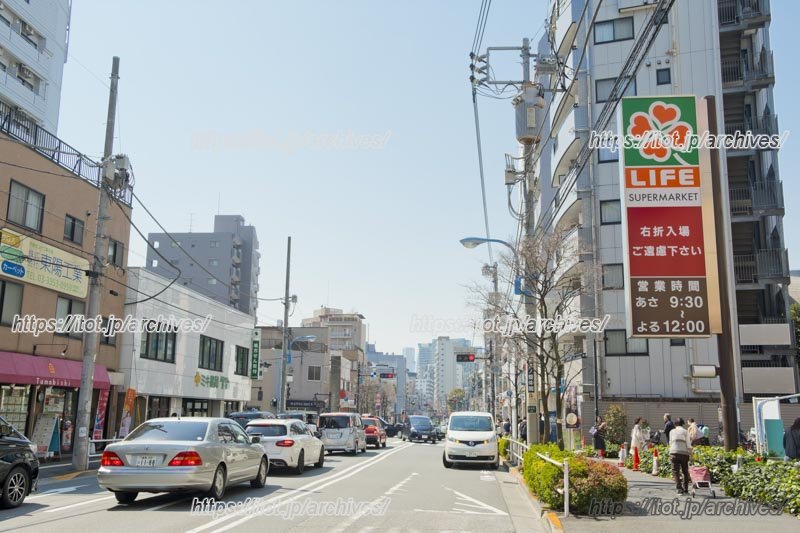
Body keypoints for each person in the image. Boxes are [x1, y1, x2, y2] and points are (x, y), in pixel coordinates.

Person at [669, 417, 692, 495]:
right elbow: (688, 445)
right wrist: (691, 455)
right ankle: (686, 489)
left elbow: (670, 443)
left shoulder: (672, 431)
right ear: (682, 424)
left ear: (675, 424)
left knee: (676, 471)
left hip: (674, 453)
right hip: (684, 454)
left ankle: (679, 489)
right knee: (685, 471)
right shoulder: (685, 432)